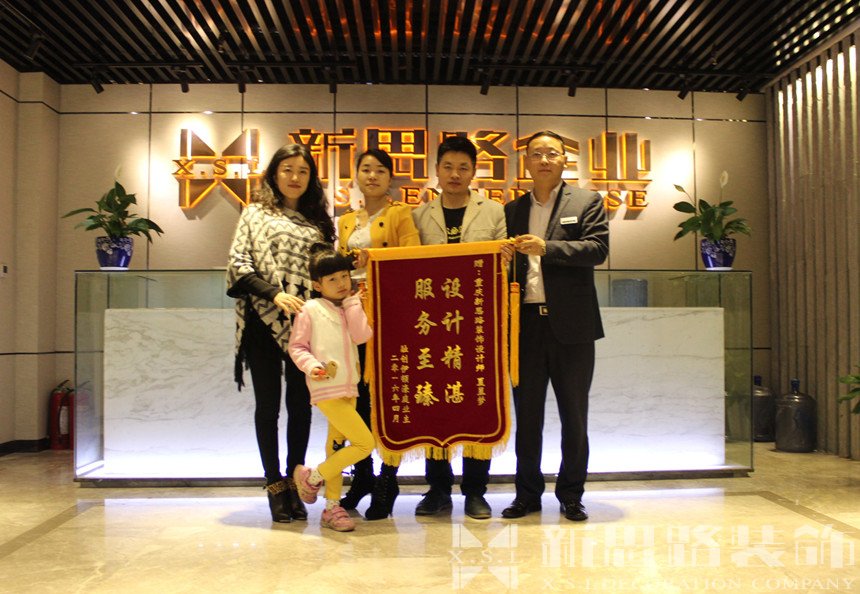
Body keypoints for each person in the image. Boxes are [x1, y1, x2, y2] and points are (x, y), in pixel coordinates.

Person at [363, 135, 507, 520]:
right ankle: (438, 489)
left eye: (463, 167)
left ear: (473, 172)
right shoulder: (419, 215)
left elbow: (502, 267)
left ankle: (475, 491)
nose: (455, 174)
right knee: (435, 400)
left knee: (478, 402)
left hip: (477, 325)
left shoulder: (494, 212)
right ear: (437, 171)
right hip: (432, 326)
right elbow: (404, 266)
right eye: (448, 167)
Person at [502, 130, 609, 522]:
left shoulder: (586, 201)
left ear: (565, 160)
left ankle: (571, 495)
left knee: (574, 417)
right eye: (536, 154)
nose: (544, 160)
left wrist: (547, 248)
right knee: (527, 418)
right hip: (525, 327)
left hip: (573, 328)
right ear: (526, 162)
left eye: (552, 153)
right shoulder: (511, 210)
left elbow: (598, 249)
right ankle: (527, 494)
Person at [226, 144, 336, 524]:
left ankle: (295, 479)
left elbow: (326, 275)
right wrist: (274, 294)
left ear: (311, 178)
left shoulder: (318, 223)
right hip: (263, 320)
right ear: (274, 173)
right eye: (287, 169)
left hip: (306, 324)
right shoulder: (255, 213)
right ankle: (274, 484)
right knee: (269, 406)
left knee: (301, 406)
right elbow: (238, 265)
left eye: (303, 171)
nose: (295, 177)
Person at [336, 149, 421, 519]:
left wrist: (375, 261)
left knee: (389, 397)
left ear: (390, 179)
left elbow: (414, 259)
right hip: (348, 316)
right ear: (356, 176)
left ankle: (389, 477)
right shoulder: (345, 221)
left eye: (380, 170)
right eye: (366, 169)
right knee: (356, 398)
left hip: (388, 316)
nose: (372, 176)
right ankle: (362, 475)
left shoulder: (401, 214)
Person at [289, 244, 375, 532]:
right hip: (326, 387)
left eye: (344, 276)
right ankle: (313, 477)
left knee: (335, 447)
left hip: (350, 388)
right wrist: (311, 365)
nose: (341, 283)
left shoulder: (350, 305)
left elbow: (362, 336)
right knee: (364, 444)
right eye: (332, 279)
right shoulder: (310, 310)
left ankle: (331, 508)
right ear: (318, 285)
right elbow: (297, 346)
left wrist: (353, 304)